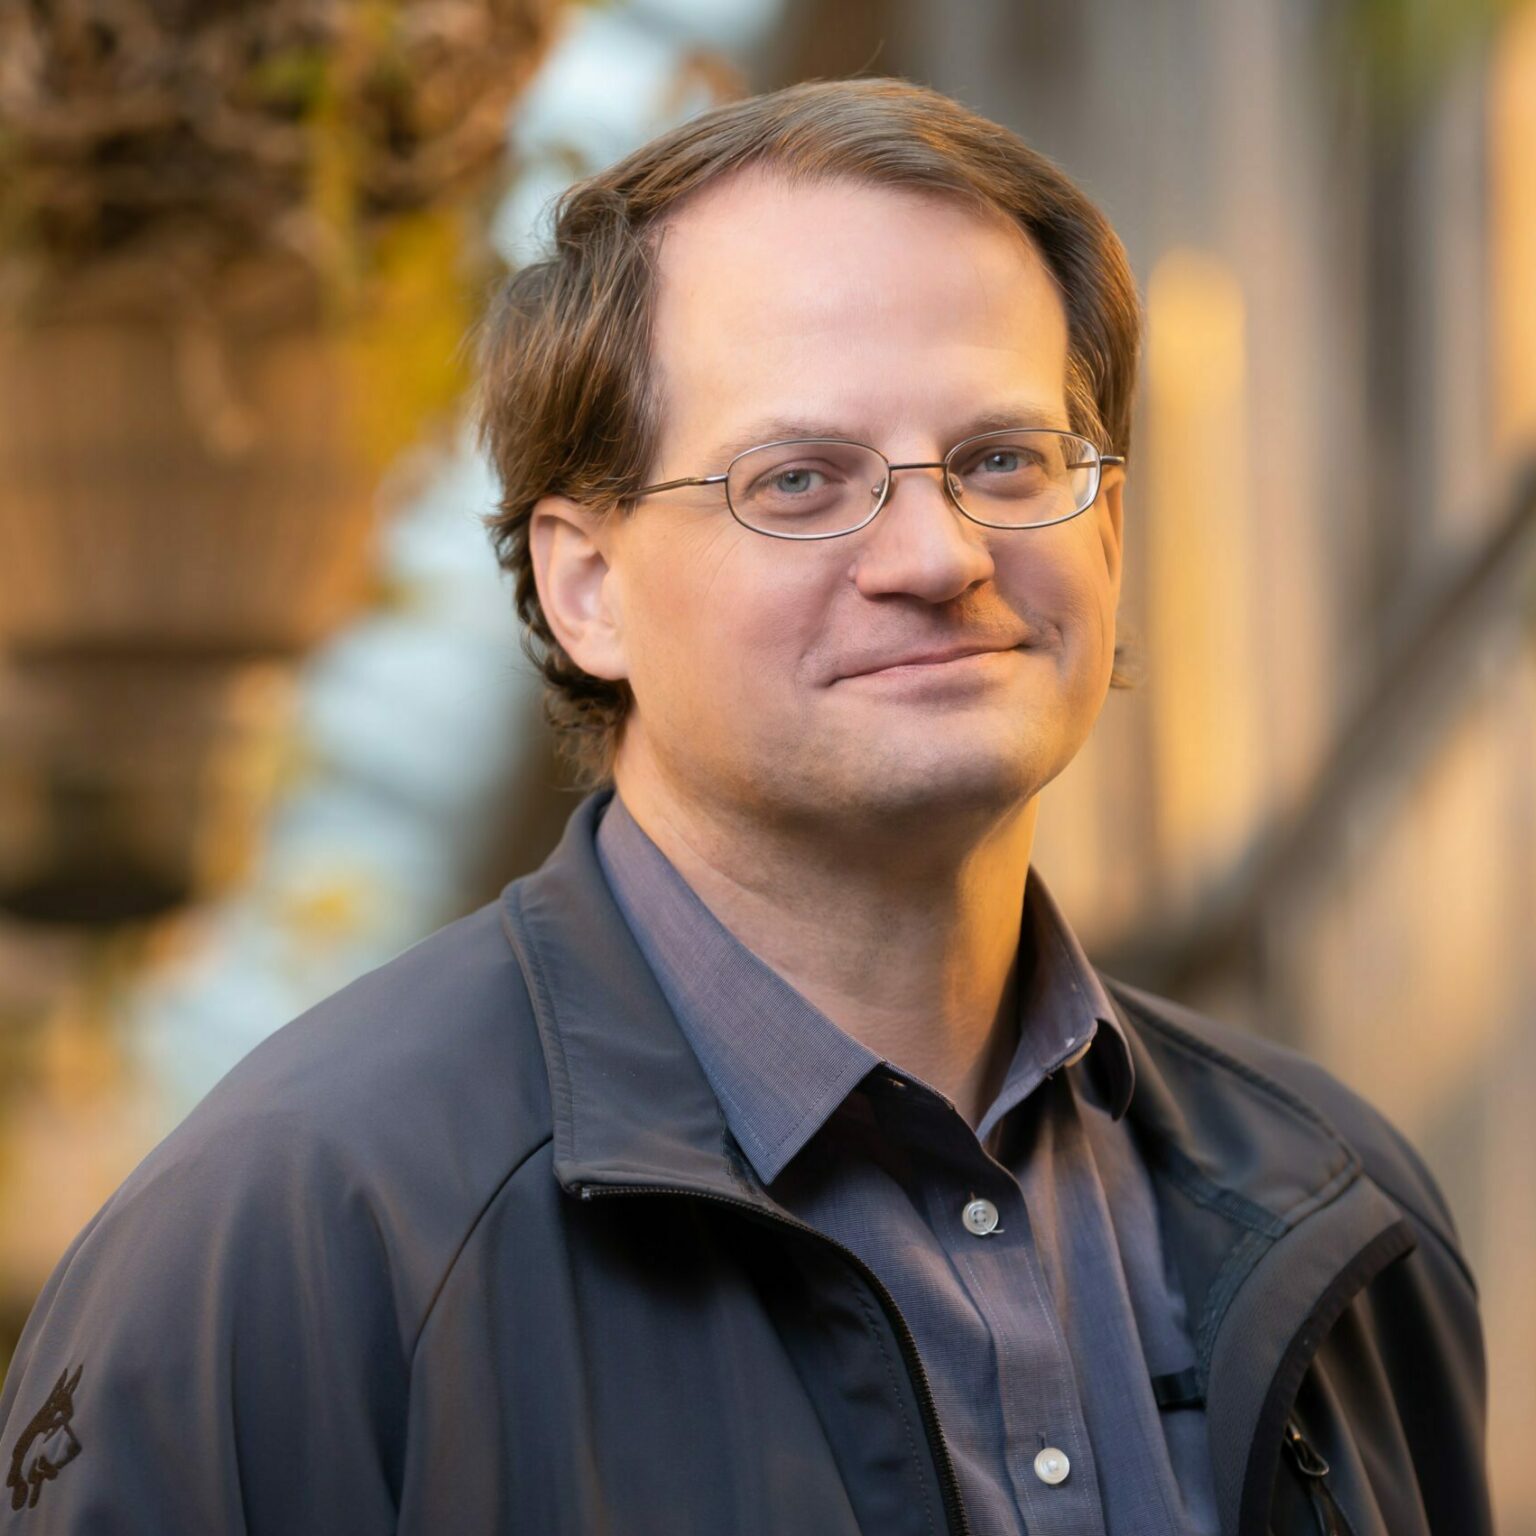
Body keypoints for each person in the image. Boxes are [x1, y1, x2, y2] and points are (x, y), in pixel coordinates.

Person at [0, 77, 1490, 1536]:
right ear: (587, 587)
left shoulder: (1343, 1209)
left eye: (1003, 458)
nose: (939, 552)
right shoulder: (297, 1236)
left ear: (1104, 523)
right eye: (799, 480)